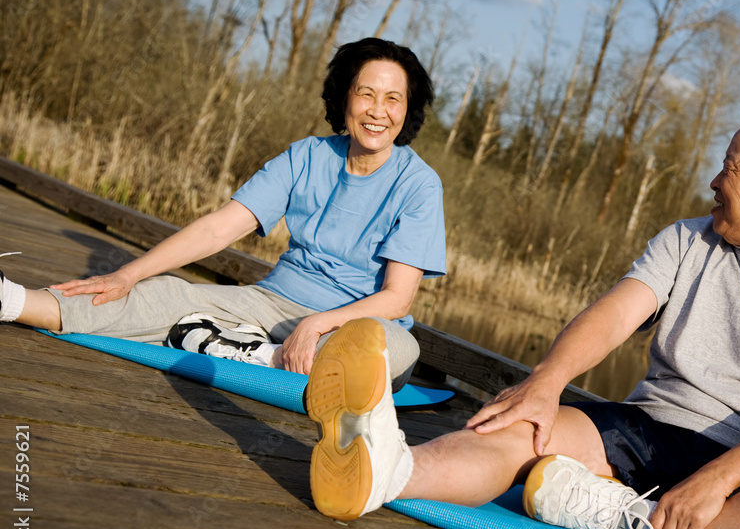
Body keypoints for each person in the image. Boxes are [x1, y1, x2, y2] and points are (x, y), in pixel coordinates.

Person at [300, 114, 740, 529]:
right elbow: (613, 316)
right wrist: (545, 383)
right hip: (645, 431)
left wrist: (714, 482)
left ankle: (625, 517)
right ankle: (386, 470)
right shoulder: (688, 239)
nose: (714, 181)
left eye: (730, 167)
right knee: (522, 427)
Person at [0, 37, 446, 389]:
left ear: (407, 110)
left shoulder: (420, 185)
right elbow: (217, 229)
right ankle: (13, 300)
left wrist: (317, 324)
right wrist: (127, 276)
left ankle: (251, 352)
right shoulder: (306, 156)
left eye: (393, 99)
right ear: (344, 98)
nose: (378, 111)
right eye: (366, 93)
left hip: (353, 326)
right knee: (169, 296)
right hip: (271, 304)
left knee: (393, 349)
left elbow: (397, 299)